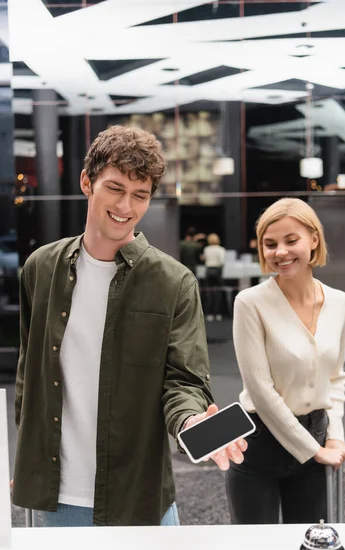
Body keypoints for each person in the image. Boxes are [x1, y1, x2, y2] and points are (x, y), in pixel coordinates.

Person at [12, 125, 247, 527]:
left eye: (140, 195)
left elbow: (185, 382)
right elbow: (28, 376)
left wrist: (192, 421)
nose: (126, 206)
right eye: (115, 188)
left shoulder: (174, 282)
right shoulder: (41, 268)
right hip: (58, 495)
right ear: (87, 182)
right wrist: (31, 461)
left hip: (138, 493)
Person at [225, 197, 345, 525]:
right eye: (270, 244)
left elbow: (335, 378)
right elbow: (261, 391)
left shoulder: (340, 304)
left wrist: (334, 434)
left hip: (317, 433)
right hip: (260, 444)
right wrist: (313, 449)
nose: (280, 252)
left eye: (291, 240)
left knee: (312, 548)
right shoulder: (250, 303)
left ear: (314, 239)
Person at [203, 233, 226, 322]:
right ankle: (218, 313)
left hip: (208, 270)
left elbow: (205, 259)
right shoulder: (221, 249)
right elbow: (222, 261)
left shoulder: (206, 249)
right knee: (218, 292)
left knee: (209, 292)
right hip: (217, 270)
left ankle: (209, 313)